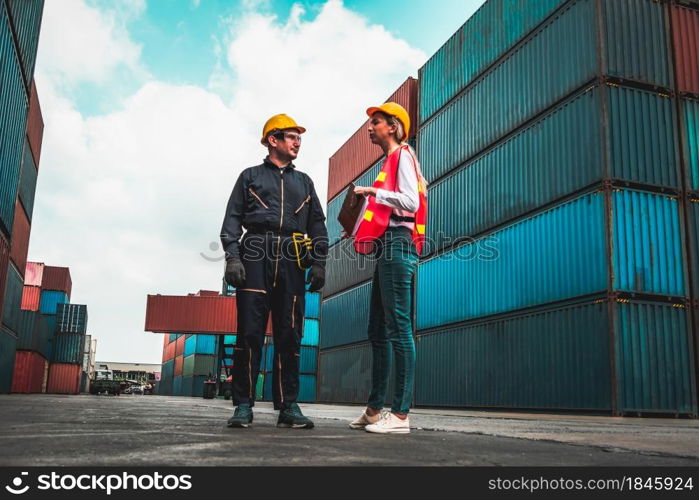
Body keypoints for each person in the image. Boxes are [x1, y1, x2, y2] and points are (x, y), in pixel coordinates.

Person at [220, 113, 328, 429]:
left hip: (292, 258)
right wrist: (233, 257)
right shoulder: (249, 176)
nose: (298, 143)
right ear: (273, 140)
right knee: (249, 334)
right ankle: (243, 405)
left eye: (299, 139)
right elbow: (232, 220)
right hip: (255, 254)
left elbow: (317, 224)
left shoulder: (304, 182)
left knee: (290, 335)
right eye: (292, 137)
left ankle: (288, 406)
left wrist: (319, 261)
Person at [348, 102, 427, 434]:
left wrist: (372, 192)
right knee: (377, 330)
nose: (370, 128)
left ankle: (400, 416)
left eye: (375, 122)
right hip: (387, 245)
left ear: (393, 127)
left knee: (398, 329)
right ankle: (374, 408)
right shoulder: (391, 160)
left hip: (399, 243)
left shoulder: (403, 156)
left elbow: (411, 201)